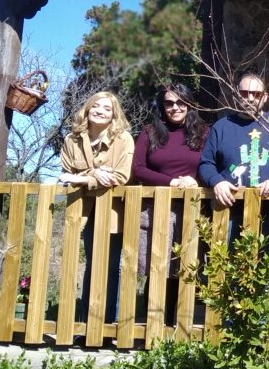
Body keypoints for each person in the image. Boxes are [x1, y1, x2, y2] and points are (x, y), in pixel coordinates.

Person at [198, 72, 269, 305]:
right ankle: (227, 326)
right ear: (235, 94)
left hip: (268, 211)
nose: (250, 98)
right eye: (244, 93)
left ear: (265, 97)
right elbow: (205, 163)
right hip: (228, 212)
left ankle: (259, 325)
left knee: (264, 267)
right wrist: (217, 181)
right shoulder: (222, 126)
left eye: (256, 94)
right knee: (226, 266)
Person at [59, 91, 134, 323]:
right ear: (88, 109)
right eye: (96, 106)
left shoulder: (123, 139)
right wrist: (95, 174)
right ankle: (87, 322)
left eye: (107, 108)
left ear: (114, 115)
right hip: (81, 211)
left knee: (111, 265)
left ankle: (108, 322)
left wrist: (84, 178)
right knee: (91, 263)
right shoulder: (72, 139)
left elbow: (120, 176)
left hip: (112, 212)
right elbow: (65, 173)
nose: (101, 111)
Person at [132, 83, 208, 280]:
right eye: (169, 103)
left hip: (193, 208)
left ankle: (180, 312)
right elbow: (138, 168)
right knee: (156, 269)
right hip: (156, 209)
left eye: (181, 102)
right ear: (162, 106)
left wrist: (196, 181)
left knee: (186, 269)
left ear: (189, 104)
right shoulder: (150, 132)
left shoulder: (204, 133)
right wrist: (172, 182)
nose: (175, 107)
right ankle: (152, 312)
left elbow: (212, 165)